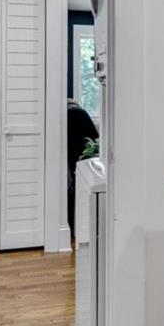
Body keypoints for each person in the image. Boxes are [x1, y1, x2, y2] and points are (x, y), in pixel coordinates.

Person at [66, 99, 99, 238]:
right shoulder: (80, 113)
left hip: (71, 155)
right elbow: (94, 137)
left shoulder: (67, 115)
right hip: (83, 154)